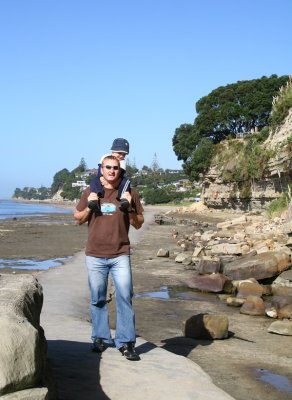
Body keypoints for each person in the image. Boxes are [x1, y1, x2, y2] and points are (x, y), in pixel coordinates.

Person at [74, 155, 144, 361]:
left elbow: (138, 223)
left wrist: (129, 207)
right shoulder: (91, 191)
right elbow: (77, 219)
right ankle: (101, 338)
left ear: (119, 169)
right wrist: (90, 206)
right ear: (101, 169)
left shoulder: (129, 192)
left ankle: (126, 343)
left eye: (115, 167)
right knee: (98, 299)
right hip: (95, 254)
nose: (112, 171)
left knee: (124, 297)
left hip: (120, 254)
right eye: (108, 167)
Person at [88, 138, 131, 213]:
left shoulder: (122, 162)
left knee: (126, 181)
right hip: (103, 177)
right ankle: (95, 197)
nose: (121, 156)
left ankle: (122, 198)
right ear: (113, 151)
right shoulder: (105, 157)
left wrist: (113, 182)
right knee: (94, 181)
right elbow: (100, 169)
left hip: (117, 179)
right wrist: (101, 177)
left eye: (124, 155)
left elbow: (120, 174)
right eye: (119, 153)